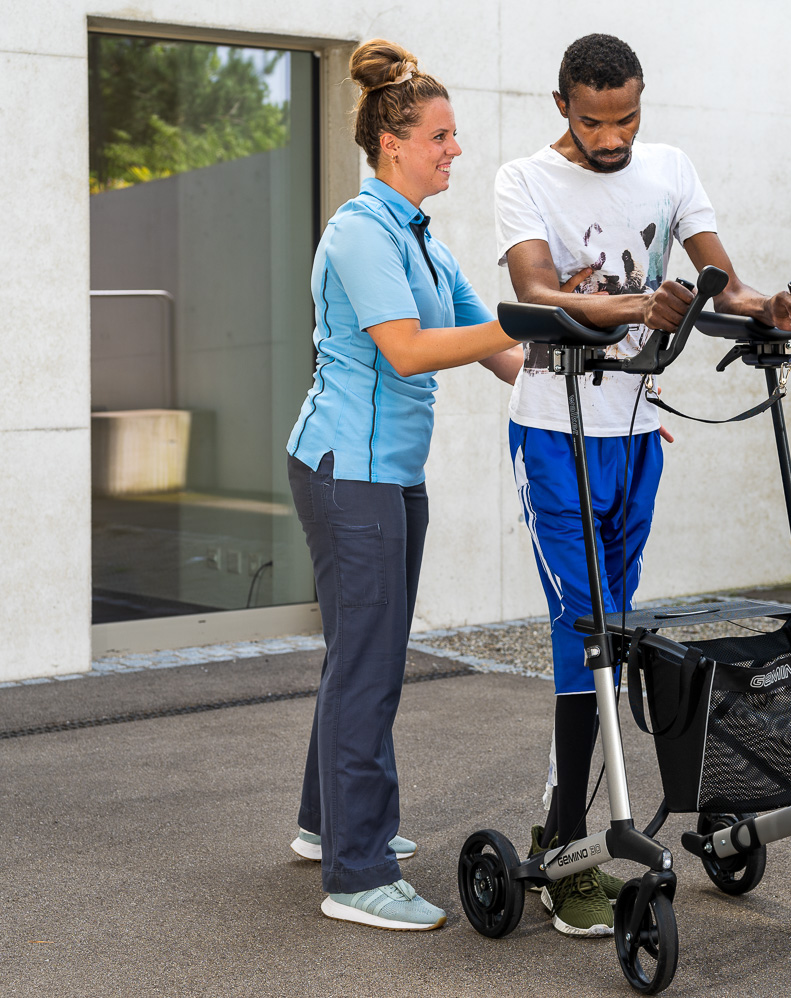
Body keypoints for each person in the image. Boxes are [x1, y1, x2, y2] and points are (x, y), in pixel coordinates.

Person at [493, 33, 791, 937]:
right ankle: (564, 843)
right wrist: (639, 303)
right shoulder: (523, 180)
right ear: (563, 106)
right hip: (555, 431)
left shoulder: (670, 168)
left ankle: (583, 817)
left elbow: (725, 282)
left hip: (638, 435)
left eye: (626, 117)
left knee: (619, 632)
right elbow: (537, 290)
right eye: (594, 121)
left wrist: (768, 307)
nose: (612, 137)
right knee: (583, 629)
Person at [284, 38, 520, 932]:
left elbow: (499, 349)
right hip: (350, 471)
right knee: (370, 665)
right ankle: (356, 872)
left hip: (390, 473)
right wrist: (522, 317)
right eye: (441, 136)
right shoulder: (357, 233)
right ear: (393, 144)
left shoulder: (420, 237)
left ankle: (324, 826)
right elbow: (410, 349)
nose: (455, 150)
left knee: (359, 654)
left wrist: (584, 346)